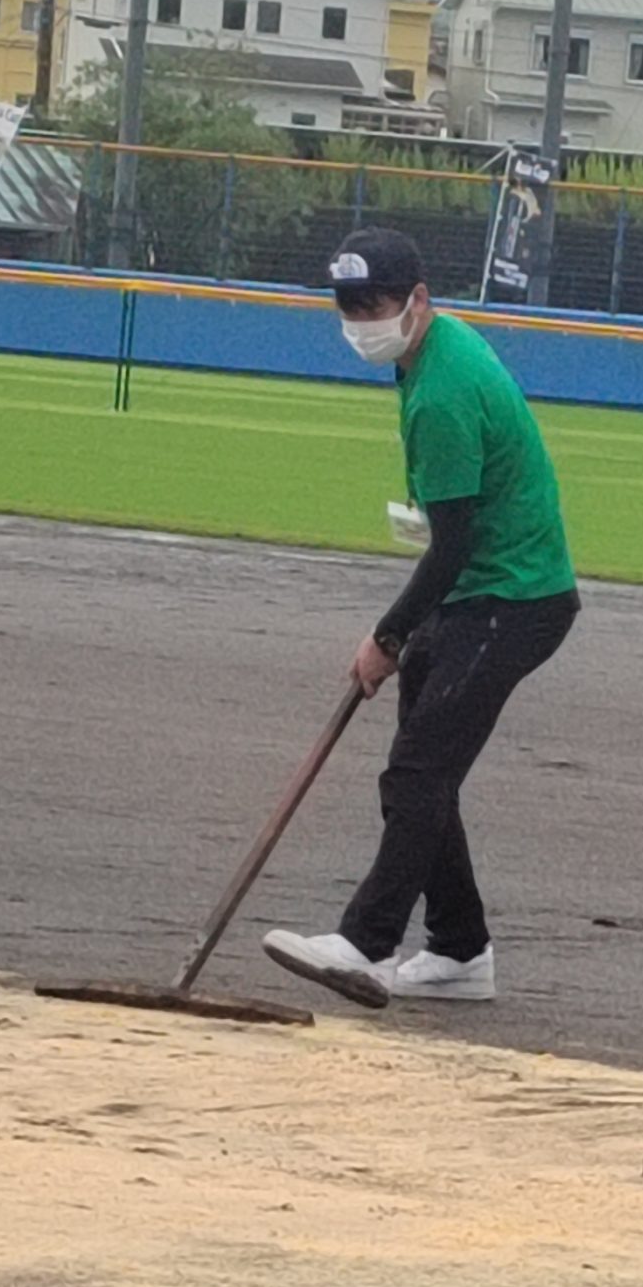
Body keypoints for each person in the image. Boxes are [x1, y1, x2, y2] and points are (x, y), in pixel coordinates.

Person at [261, 228, 579, 1008]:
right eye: (349, 307)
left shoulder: (441, 392)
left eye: (373, 305)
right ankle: (459, 949)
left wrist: (387, 637)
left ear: (418, 300)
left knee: (418, 772)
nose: (360, 321)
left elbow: (452, 545)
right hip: (477, 590)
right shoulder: (431, 355)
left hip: (515, 597)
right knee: (424, 773)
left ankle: (368, 943)